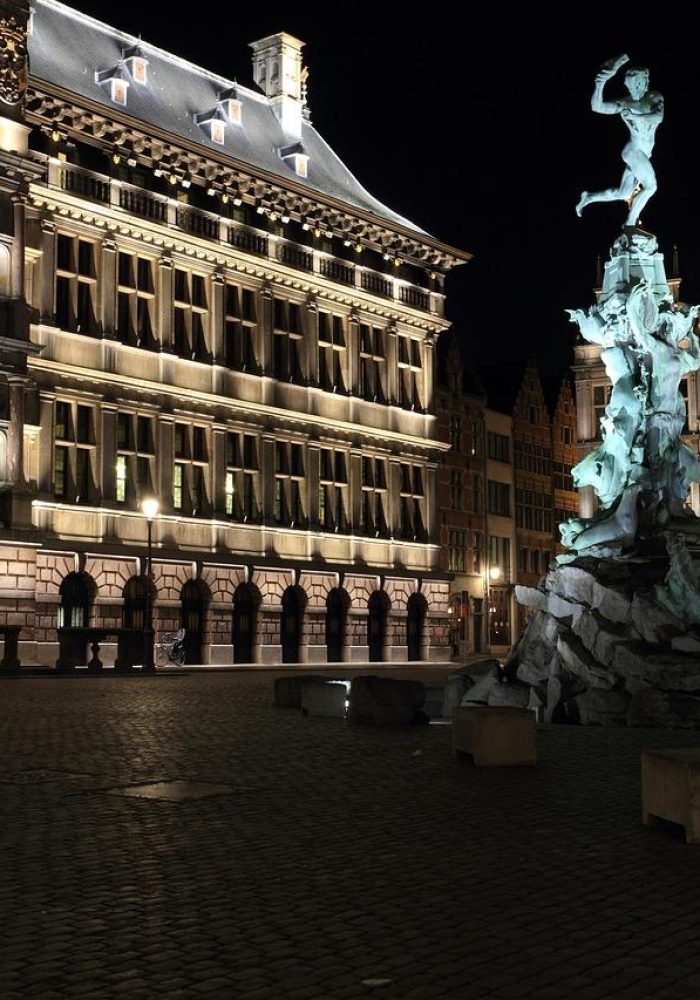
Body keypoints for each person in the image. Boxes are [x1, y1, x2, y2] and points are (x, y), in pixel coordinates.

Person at [576, 54, 664, 227]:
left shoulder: (653, 97)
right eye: (630, 84)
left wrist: (634, 115)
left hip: (643, 153)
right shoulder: (625, 103)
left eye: (636, 83)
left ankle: (589, 197)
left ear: (644, 82)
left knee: (624, 193)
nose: (633, 88)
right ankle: (630, 223)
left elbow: (658, 117)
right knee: (651, 186)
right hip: (634, 151)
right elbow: (597, 107)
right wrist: (600, 84)